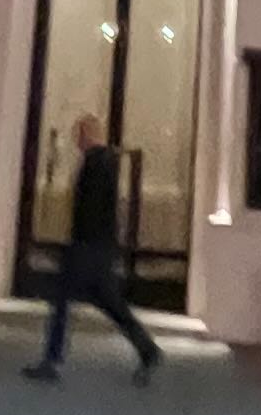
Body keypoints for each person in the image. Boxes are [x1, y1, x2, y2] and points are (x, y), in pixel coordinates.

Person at [24, 111, 160, 382]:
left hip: (88, 247)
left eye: (79, 135)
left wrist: (79, 244)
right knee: (110, 304)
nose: (76, 141)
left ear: (87, 134)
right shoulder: (106, 162)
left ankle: (52, 359)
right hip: (98, 247)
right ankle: (147, 349)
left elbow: (91, 209)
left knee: (63, 299)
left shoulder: (95, 163)